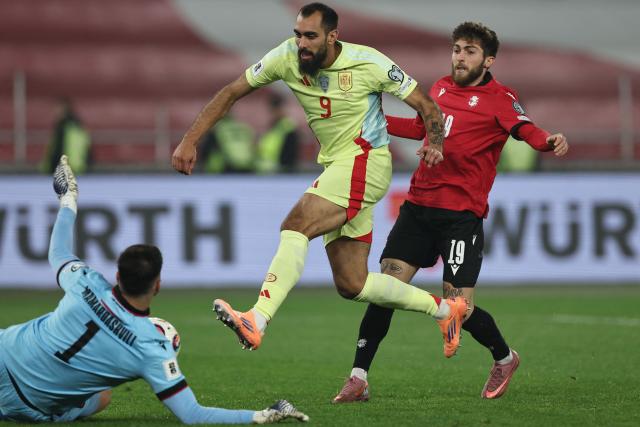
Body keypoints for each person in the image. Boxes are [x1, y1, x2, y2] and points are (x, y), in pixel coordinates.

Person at [172, 2, 468, 354]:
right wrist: (190, 139)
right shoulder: (286, 56)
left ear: (332, 36)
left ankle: (258, 318)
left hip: (365, 161)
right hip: (338, 166)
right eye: (298, 35)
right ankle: (447, 310)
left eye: (311, 36)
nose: (302, 44)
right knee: (352, 283)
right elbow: (232, 91)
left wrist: (435, 142)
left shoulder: (368, 62)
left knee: (296, 225)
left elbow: (425, 104)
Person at [332, 22, 570, 403]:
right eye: (457, 48)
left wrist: (548, 141)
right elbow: (418, 126)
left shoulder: (500, 98)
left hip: (460, 215)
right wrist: (374, 120)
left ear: (488, 59)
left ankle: (505, 358)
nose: (460, 56)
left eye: (470, 51)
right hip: (418, 208)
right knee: (386, 291)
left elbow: (526, 130)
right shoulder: (441, 87)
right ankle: (358, 377)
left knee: (458, 306)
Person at [0, 155, 309, 424]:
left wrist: (68, 200)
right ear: (158, 285)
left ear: (117, 276)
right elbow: (193, 414)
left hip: (4, 354)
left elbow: (57, 252)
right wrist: (259, 415)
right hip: (30, 405)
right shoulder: (151, 347)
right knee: (102, 397)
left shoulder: (85, 282)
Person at [40, 98, 91, 175]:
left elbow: (60, 149)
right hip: (74, 168)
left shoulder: (66, 127)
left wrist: (51, 167)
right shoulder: (76, 126)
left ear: (64, 109)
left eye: (58, 109)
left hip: (68, 169)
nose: (55, 111)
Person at [255, 94, 299, 174]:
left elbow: (289, 154)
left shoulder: (287, 127)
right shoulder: (274, 127)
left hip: (279, 172)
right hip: (267, 171)